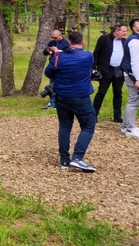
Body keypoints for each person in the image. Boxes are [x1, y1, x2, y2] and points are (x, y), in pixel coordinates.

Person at [44, 31, 96, 172]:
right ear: (83, 42)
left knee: (65, 127)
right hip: (81, 96)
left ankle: (64, 160)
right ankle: (78, 157)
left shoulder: (58, 56)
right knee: (88, 125)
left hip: (61, 96)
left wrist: (55, 53)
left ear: (68, 42)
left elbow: (48, 73)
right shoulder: (88, 56)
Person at [91, 23, 127, 123]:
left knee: (118, 93)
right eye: (124, 31)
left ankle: (117, 116)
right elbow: (96, 53)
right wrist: (94, 68)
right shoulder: (104, 38)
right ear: (116, 31)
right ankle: (94, 115)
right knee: (101, 92)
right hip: (106, 70)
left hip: (119, 70)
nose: (125, 33)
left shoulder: (125, 41)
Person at [120, 17, 139, 139]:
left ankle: (126, 125)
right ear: (134, 28)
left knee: (134, 100)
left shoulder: (137, 39)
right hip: (135, 75)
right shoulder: (136, 42)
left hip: (133, 74)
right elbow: (135, 63)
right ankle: (130, 128)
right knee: (134, 101)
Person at [41, 30, 70, 109]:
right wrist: (48, 50)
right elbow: (45, 52)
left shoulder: (66, 43)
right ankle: (53, 101)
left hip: (61, 66)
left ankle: (53, 103)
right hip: (52, 65)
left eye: (55, 37)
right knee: (52, 83)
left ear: (60, 35)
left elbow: (68, 53)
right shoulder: (51, 42)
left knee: (55, 84)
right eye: (52, 37)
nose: (54, 39)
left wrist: (57, 51)